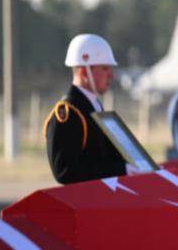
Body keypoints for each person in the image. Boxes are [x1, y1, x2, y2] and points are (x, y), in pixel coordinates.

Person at [44, 33, 130, 184]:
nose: (111, 76)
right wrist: (122, 169)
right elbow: (64, 171)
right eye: (104, 68)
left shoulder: (94, 106)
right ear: (84, 72)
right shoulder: (68, 113)